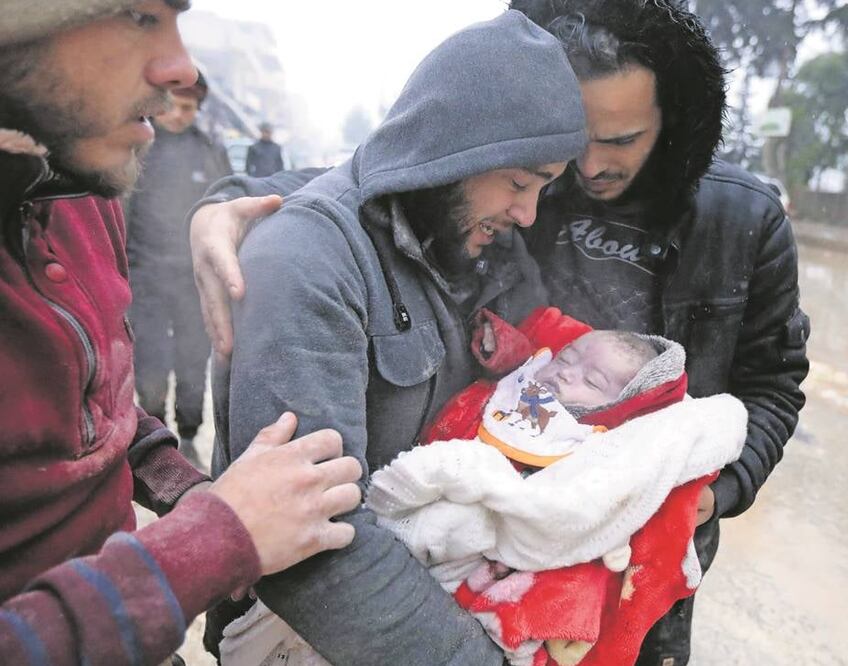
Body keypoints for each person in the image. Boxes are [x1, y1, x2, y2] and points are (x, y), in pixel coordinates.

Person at [190, 1, 811, 663]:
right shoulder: (508, 198)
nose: (589, 168)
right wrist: (230, 202)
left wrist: (704, 498)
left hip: (628, 574)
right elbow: (390, 177)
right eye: (569, 149)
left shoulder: (740, 218)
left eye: (621, 140)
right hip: (429, 612)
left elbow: (773, 386)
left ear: (671, 122)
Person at [201, 11, 589, 664]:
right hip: (300, 628)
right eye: (519, 184)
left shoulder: (480, 244)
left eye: (542, 189)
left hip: (420, 600)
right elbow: (311, 546)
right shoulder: (310, 261)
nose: (526, 214)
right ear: (454, 153)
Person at [0, 2, 363, 664]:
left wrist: (193, 490)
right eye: (135, 15)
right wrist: (214, 542)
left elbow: (94, 409)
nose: (182, 67)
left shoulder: (82, 186)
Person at [218, 307, 748, 666]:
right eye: (569, 359)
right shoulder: (518, 388)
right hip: (411, 529)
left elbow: (588, 524)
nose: (566, 377)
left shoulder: (604, 448)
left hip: (500, 562)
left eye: (592, 381)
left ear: (619, 406)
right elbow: (526, 351)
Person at [126, 71, 231, 466]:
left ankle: (188, 435)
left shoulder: (209, 151)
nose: (179, 114)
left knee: (192, 360)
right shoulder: (134, 147)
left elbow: (224, 205)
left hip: (193, 281)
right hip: (144, 277)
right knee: (150, 364)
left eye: (189, 108)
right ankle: (156, 441)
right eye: (173, 105)